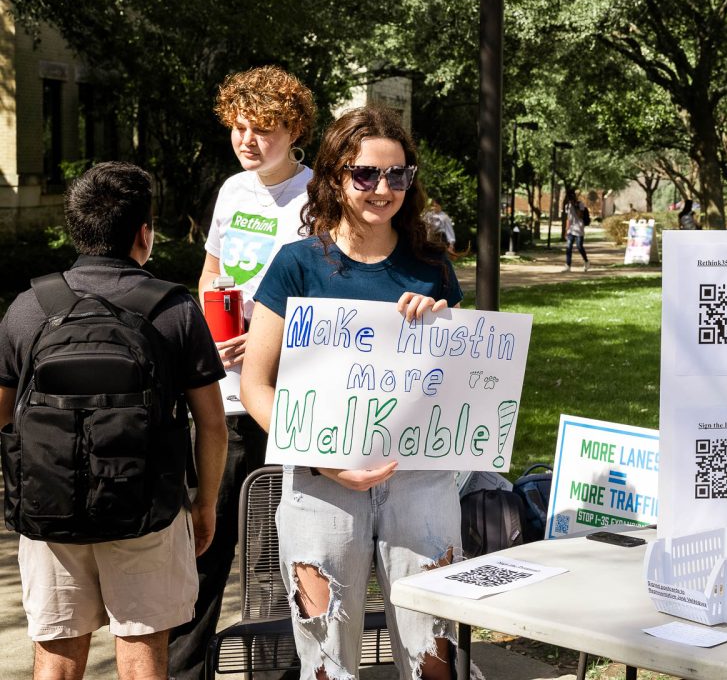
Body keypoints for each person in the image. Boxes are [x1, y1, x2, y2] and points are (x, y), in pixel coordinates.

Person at [240, 107, 463, 680]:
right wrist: (323, 459)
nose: (382, 189)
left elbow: (461, 385)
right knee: (325, 653)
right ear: (336, 177)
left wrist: (441, 329)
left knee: (432, 645)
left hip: (419, 479)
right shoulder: (296, 264)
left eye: (397, 176)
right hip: (321, 484)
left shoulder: (432, 267)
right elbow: (256, 384)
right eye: (365, 174)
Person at [0, 162, 227, 680]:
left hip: (49, 511)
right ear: (143, 233)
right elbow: (212, 424)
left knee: (56, 655)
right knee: (142, 651)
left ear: (74, 228)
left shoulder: (28, 308)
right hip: (147, 507)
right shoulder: (174, 310)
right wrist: (204, 503)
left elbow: (1, 418)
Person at [169, 66, 316, 680]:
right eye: (239, 127)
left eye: (264, 129)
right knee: (204, 548)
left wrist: (266, 340)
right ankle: (183, 671)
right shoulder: (232, 191)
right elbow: (211, 272)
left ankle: (279, 671)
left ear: (296, 129)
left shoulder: (319, 198)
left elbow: (325, 298)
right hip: (225, 399)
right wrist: (214, 328)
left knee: (280, 555)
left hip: (287, 400)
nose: (248, 140)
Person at [564, 194, 590, 271]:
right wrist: (566, 230)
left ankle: (586, 261)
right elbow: (568, 219)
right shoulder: (567, 206)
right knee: (568, 247)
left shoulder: (580, 204)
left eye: (572, 198)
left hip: (579, 229)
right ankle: (568, 265)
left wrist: (575, 206)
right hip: (571, 230)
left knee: (579, 247)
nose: (570, 200)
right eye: (569, 198)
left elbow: (580, 215)